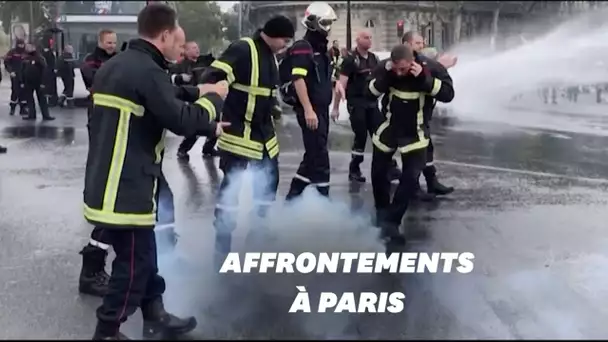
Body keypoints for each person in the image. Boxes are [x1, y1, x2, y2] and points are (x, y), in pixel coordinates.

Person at [85, 4, 229, 339]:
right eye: (178, 44)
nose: (181, 51)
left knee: (145, 253)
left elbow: (164, 93)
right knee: (135, 264)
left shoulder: (121, 64)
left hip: (113, 178)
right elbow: (179, 118)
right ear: (164, 35)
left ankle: (155, 313)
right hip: (125, 184)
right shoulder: (147, 71)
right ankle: (107, 330)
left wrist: (198, 91)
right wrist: (214, 101)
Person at [203, 16, 294, 266]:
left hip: (265, 138)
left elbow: (264, 90)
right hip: (239, 137)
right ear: (272, 34)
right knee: (230, 195)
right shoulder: (243, 49)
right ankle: (222, 251)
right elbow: (213, 79)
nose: (285, 46)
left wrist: (273, 107)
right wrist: (209, 117)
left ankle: (258, 242)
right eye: (284, 40)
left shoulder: (270, 54)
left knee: (267, 189)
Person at [367, 44, 454, 245]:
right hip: (388, 129)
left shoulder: (432, 68)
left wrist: (425, 79)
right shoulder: (385, 68)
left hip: (415, 134)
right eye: (395, 68)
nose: (399, 72)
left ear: (412, 62)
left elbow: (448, 95)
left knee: (409, 180)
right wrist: (386, 78)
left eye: (403, 69)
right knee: (379, 174)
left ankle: (392, 222)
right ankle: (382, 216)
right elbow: (368, 92)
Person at [332, 29, 400, 183]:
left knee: (381, 135)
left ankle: (389, 167)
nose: (369, 40)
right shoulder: (350, 60)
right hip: (356, 104)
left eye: (370, 37)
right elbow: (341, 85)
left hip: (371, 103)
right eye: (365, 38)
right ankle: (354, 168)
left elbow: (380, 80)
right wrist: (335, 108)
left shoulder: (374, 59)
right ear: (357, 40)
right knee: (361, 136)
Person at [284, 1, 337, 200]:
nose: (328, 27)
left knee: (312, 156)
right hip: (311, 110)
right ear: (313, 22)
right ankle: (324, 200)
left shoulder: (321, 49)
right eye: (325, 22)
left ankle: (292, 197)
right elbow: (298, 78)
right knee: (320, 157)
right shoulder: (302, 47)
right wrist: (308, 110)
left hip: (320, 109)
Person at [401, 31, 455, 200]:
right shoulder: (400, 64)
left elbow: (446, 92)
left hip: (421, 117)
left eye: (422, 42)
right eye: (418, 43)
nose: (422, 46)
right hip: (405, 118)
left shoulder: (427, 65)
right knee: (413, 152)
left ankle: (431, 182)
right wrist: (439, 66)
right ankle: (413, 187)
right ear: (408, 44)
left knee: (427, 148)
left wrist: (439, 67)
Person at [173, 41, 219, 161]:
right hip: (191, 99)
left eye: (197, 47)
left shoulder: (206, 62)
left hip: (208, 96)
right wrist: (181, 78)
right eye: (193, 48)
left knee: (217, 122)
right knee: (196, 125)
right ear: (186, 51)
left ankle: (208, 148)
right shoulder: (180, 66)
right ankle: (183, 149)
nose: (197, 50)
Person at [81, 29, 118, 129]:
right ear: (100, 42)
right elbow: (93, 79)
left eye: (114, 43)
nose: (112, 46)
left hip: (116, 109)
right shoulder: (91, 59)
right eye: (109, 42)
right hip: (97, 107)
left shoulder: (120, 58)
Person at [20, 43, 55, 121]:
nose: (27, 48)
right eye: (27, 47)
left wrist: (43, 82)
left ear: (34, 47)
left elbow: (45, 70)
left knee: (42, 99)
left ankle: (46, 115)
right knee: (29, 99)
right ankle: (31, 114)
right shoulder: (25, 57)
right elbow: (22, 70)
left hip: (38, 81)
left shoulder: (39, 57)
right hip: (28, 82)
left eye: (29, 47)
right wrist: (22, 81)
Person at [4, 39, 28, 116]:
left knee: (24, 92)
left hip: (24, 75)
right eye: (20, 44)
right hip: (15, 74)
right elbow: (7, 62)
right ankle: (12, 108)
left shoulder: (26, 53)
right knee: (15, 91)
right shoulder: (12, 52)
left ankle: (23, 108)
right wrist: (11, 71)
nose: (21, 46)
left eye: (22, 44)